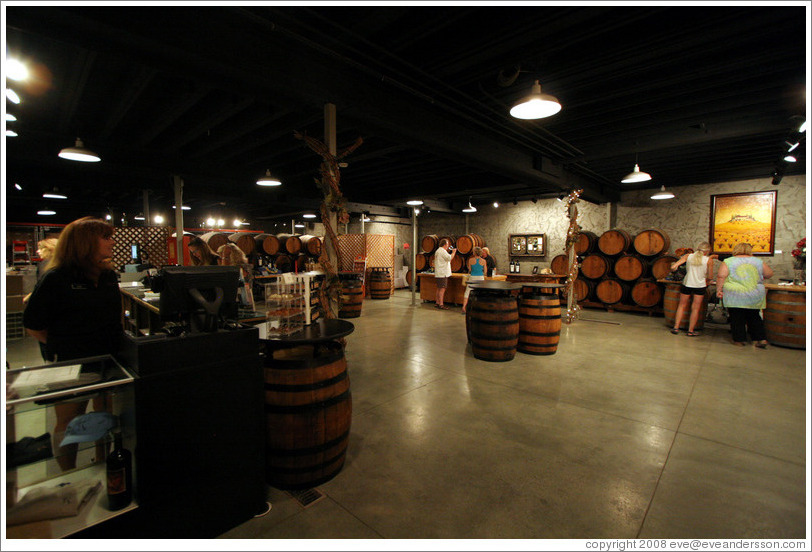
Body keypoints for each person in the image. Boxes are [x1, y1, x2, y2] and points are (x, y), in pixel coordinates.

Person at [23, 217, 121, 470]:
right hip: (73, 365)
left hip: (109, 361)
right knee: (69, 423)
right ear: (85, 243)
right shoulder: (56, 278)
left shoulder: (108, 276)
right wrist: (66, 346)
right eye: (105, 238)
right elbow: (33, 325)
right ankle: (68, 477)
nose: (112, 242)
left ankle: (102, 465)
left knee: (104, 419)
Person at [716, 242, 773, 348]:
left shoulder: (728, 261)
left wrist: (719, 290)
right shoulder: (758, 261)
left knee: (736, 317)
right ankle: (760, 338)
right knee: (754, 316)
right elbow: (769, 274)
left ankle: (739, 340)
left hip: (734, 294)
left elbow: (721, 276)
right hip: (754, 293)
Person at [669, 242, 717, 336]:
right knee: (695, 308)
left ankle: (676, 327)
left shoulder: (688, 256)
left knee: (681, 305)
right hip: (700, 286)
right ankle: (690, 331)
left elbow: (673, 267)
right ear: (707, 251)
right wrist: (708, 281)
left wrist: (676, 270)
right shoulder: (709, 260)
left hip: (687, 283)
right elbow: (710, 277)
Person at [217, 242, 255, 309]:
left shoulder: (240, 269)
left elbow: (241, 284)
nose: (221, 260)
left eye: (224, 257)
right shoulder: (235, 268)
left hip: (242, 302)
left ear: (232, 257)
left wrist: (224, 259)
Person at [433, 238, 457, 309]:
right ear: (445, 244)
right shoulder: (442, 251)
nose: (448, 246)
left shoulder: (438, 250)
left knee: (439, 288)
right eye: (447, 244)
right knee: (442, 289)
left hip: (439, 273)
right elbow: (449, 258)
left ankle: (437, 302)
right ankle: (441, 304)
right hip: (443, 273)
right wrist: (453, 252)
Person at [461, 246, 486, 314]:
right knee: (480, 292)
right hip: (480, 278)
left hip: (472, 277)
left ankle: (464, 307)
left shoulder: (470, 260)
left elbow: (470, 270)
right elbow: (485, 271)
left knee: (467, 292)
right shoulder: (484, 261)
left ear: (474, 253)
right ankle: (479, 308)